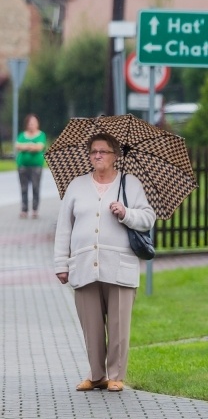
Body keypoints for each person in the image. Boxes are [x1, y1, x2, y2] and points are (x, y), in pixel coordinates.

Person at [54, 132, 156, 392]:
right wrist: (61, 264)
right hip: (84, 265)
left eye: (103, 151)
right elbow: (64, 227)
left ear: (115, 156)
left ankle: (116, 375)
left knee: (119, 325)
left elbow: (148, 218)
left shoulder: (129, 183)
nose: (97, 155)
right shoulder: (76, 186)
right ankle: (96, 374)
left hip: (120, 266)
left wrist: (126, 213)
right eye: (93, 151)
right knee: (91, 326)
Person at [15, 114, 47, 219]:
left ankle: (34, 209)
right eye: (30, 123)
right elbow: (17, 146)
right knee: (24, 188)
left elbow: (39, 147)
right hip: (23, 166)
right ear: (27, 124)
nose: (32, 125)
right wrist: (31, 145)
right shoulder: (22, 135)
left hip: (36, 166)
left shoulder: (41, 135)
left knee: (35, 187)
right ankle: (24, 209)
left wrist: (26, 146)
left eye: (34, 123)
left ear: (37, 124)